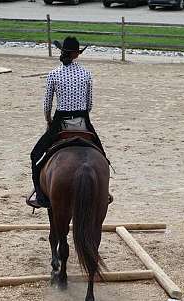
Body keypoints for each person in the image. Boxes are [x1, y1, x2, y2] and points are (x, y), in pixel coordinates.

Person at [27, 36, 107, 209]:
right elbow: (90, 104)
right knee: (103, 156)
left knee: (35, 156)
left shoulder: (53, 74)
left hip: (60, 120)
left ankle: (41, 196)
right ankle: (103, 191)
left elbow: (47, 105)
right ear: (77, 55)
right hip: (83, 119)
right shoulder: (86, 74)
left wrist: (49, 121)